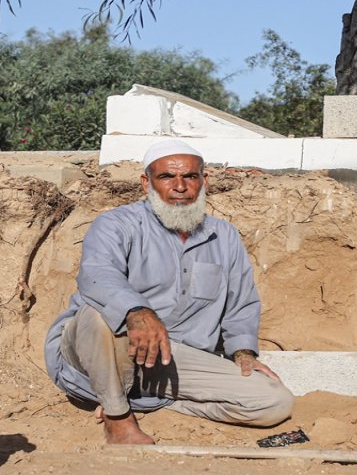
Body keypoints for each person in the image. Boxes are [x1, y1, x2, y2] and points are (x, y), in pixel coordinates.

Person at [42, 140, 294, 444]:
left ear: (204, 181)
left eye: (190, 176)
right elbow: (98, 274)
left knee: (273, 402)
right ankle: (118, 418)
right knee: (100, 315)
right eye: (166, 177)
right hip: (104, 348)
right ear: (146, 182)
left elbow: (240, 302)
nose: (180, 186)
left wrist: (243, 352)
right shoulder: (117, 224)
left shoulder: (224, 236)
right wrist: (137, 312)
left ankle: (141, 401)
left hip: (171, 359)